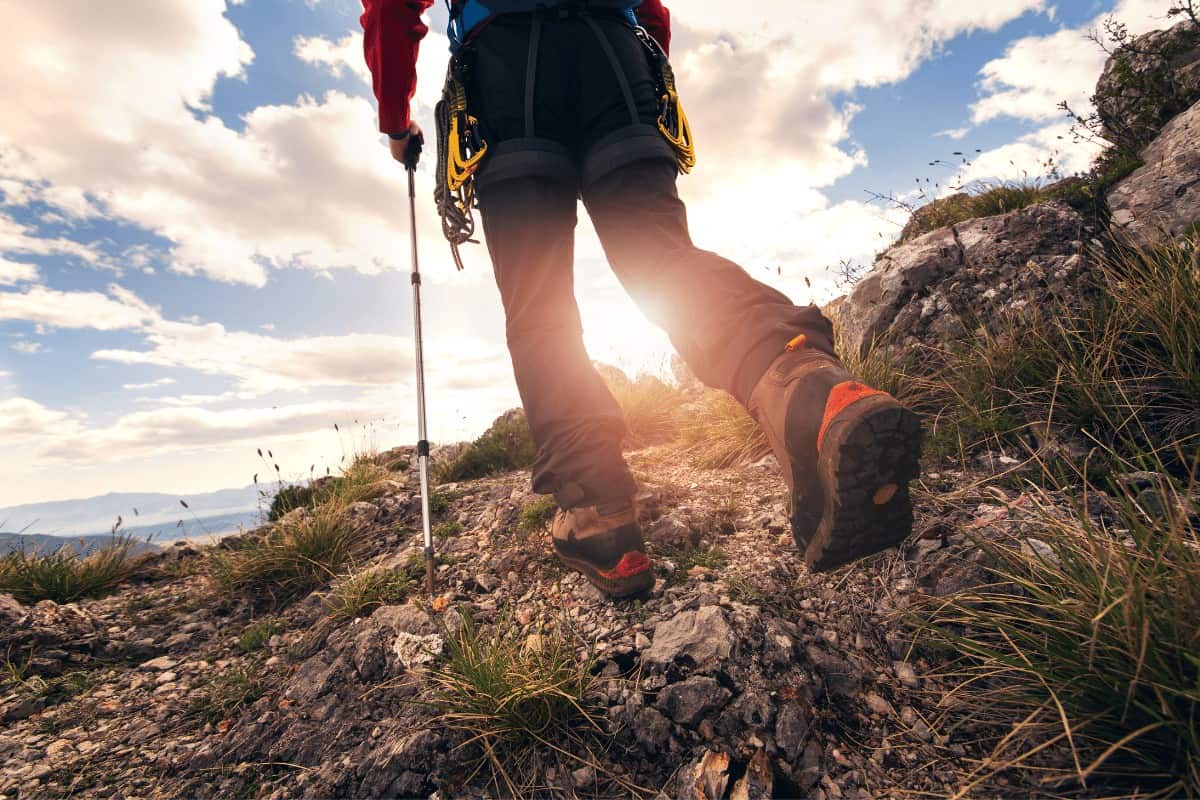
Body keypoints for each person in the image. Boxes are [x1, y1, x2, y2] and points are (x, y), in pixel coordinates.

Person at [360, 0, 923, 598]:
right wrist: (631, 75)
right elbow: (652, 14)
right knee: (660, 256)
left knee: (538, 304)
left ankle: (599, 512)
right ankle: (803, 383)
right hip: (614, 53)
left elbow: (391, 8)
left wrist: (396, 121)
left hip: (505, 70)